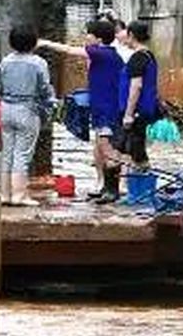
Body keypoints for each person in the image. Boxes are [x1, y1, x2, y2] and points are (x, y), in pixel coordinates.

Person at [38, 18, 125, 200]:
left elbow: (70, 50)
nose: (86, 38)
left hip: (106, 109)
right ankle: (106, 188)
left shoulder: (101, 53)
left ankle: (112, 190)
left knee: (107, 148)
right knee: (103, 147)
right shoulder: (112, 54)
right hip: (105, 107)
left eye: (89, 35)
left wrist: (46, 43)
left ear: (98, 39)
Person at [0, 25, 57, 205]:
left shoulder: (6, 61)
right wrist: (51, 103)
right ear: (33, 43)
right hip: (27, 109)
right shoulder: (38, 63)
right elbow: (44, 88)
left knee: (8, 152)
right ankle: (19, 195)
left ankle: (4, 194)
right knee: (23, 153)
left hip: (6, 109)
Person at [118, 20, 160, 178]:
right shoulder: (149, 55)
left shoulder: (138, 57)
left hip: (137, 111)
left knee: (136, 150)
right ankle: (136, 184)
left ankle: (141, 185)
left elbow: (136, 86)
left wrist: (128, 114)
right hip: (146, 109)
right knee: (136, 148)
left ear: (131, 35)